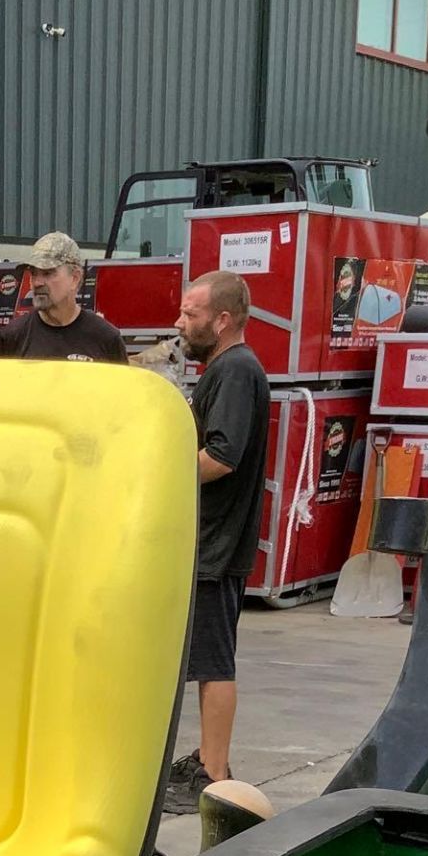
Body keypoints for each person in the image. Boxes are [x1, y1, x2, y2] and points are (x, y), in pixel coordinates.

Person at [165, 269, 270, 813]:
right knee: (207, 659)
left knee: (213, 662)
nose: (182, 323)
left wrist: (160, 473)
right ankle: (208, 759)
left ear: (222, 319)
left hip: (215, 544)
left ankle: (214, 771)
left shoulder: (234, 370)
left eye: (192, 314)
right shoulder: (227, 369)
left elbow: (222, 457)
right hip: (211, 541)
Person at [0, 231, 128, 364]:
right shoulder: (11, 337)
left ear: (74, 278)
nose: (37, 282)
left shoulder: (106, 338)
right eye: (33, 273)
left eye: (48, 273)